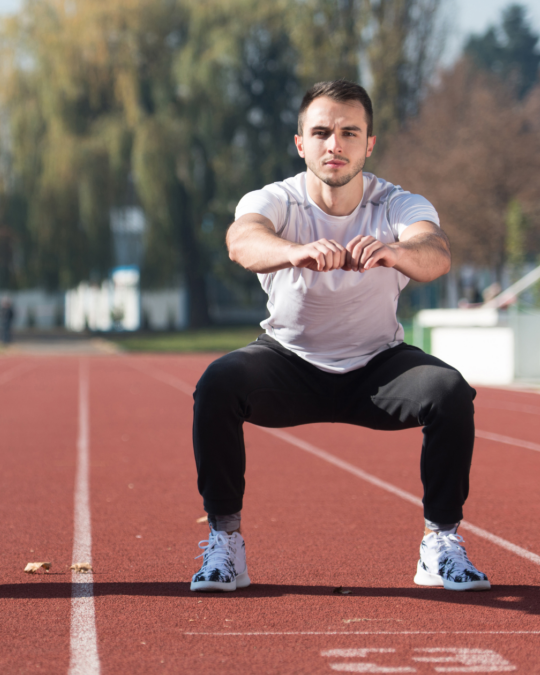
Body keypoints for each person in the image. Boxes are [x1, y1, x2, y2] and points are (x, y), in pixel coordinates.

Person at [189, 80, 489, 593]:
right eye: (322, 132)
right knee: (218, 383)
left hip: (377, 368)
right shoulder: (276, 200)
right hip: (288, 363)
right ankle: (226, 545)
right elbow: (242, 241)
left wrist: (397, 253)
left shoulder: (397, 203)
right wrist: (293, 251)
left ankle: (440, 543)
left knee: (449, 391)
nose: (336, 144)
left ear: (368, 144)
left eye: (350, 132)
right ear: (301, 142)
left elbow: (434, 251)